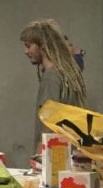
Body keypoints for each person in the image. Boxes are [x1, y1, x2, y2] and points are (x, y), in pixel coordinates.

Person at [20, 19, 87, 151]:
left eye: (28, 46)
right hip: (72, 150)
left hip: (55, 154)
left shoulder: (51, 77)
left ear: (43, 46)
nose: (25, 51)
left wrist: (39, 156)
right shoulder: (70, 73)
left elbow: (48, 125)